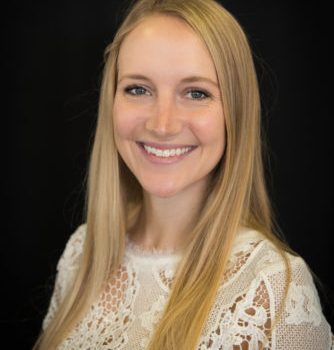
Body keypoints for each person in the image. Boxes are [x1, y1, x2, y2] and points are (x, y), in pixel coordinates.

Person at [34, 0, 333, 349]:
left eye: (196, 93)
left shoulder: (273, 288)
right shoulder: (82, 253)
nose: (162, 125)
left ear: (234, 112)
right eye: (138, 89)